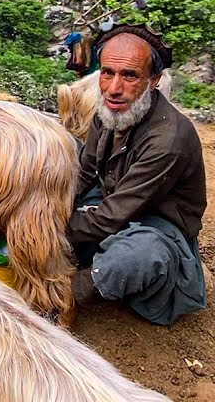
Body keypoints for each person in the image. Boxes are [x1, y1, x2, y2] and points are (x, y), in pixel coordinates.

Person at [68, 24, 206, 325]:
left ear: (153, 80)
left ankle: (71, 289)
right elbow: (85, 173)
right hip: (111, 203)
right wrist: (47, 207)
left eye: (129, 75)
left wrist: (49, 228)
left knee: (133, 257)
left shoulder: (169, 139)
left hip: (156, 227)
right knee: (63, 152)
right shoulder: (109, 113)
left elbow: (111, 217)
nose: (114, 88)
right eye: (107, 73)